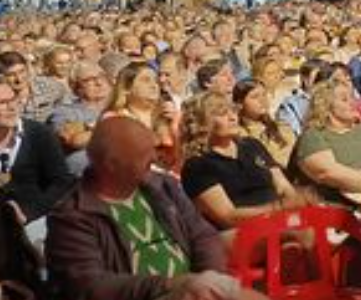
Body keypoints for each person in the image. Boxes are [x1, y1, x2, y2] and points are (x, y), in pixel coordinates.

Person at [46, 117, 266, 300]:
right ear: (112, 164)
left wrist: (209, 278)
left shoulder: (161, 186)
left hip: (192, 288)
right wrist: (173, 285)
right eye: (143, 154)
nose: (153, 158)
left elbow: (201, 235)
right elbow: (92, 286)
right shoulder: (73, 216)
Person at [180, 92, 307, 232]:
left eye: (232, 111)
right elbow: (228, 217)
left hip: (280, 222)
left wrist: (298, 204)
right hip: (242, 234)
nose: (232, 118)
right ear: (201, 123)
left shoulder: (252, 146)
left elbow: (284, 187)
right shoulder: (198, 165)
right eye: (222, 114)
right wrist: (279, 208)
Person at [292, 78, 361, 205]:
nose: (353, 103)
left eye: (352, 97)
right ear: (325, 106)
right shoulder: (314, 135)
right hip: (356, 203)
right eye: (344, 99)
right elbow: (327, 173)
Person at [0, 82, 74, 227]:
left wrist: (28, 213)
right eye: (2, 103)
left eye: (13, 99)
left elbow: (61, 182)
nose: (11, 107)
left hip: (35, 222)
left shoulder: (39, 134)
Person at [48, 61, 111, 175]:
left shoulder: (120, 105)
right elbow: (73, 140)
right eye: (90, 80)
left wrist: (86, 128)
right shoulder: (65, 111)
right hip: (83, 178)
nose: (99, 82)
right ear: (76, 87)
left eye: (102, 76)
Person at [232, 80, 296, 168]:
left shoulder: (283, 127)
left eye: (264, 94)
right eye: (255, 97)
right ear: (240, 103)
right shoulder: (237, 133)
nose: (263, 100)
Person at [0, 51, 71, 123]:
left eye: (22, 71)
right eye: (11, 75)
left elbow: (69, 105)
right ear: (2, 77)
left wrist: (58, 120)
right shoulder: (2, 99)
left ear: (27, 69)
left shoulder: (47, 86)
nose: (19, 78)